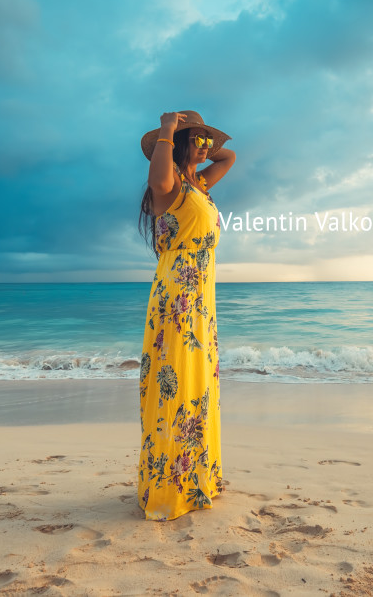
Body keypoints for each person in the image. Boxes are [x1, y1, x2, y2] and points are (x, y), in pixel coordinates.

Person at [136, 110, 235, 521]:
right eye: (199, 140)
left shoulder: (198, 184)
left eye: (207, 140)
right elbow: (157, 180)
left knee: (198, 386)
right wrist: (169, 131)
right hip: (176, 300)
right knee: (174, 388)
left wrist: (205, 143)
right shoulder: (172, 185)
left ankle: (196, 479)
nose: (207, 147)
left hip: (200, 304)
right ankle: (167, 488)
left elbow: (230, 158)